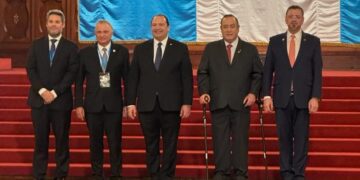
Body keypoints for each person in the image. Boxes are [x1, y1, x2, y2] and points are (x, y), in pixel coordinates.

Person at [126, 14, 193, 180]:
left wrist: (187, 103)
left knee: (170, 144)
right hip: (147, 105)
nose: (157, 27)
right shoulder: (141, 49)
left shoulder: (180, 48)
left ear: (168, 27)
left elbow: (186, 78)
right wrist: (130, 103)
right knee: (151, 144)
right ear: (151, 28)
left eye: (161, 24)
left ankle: (167, 175)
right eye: (154, 25)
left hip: (171, 105)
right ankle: (154, 174)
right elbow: (133, 78)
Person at [197, 14, 263, 180]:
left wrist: (253, 93)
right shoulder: (211, 48)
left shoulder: (250, 49)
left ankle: (241, 172)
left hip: (242, 102)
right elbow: (203, 72)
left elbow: (257, 74)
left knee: (240, 139)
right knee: (220, 140)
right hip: (218, 101)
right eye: (225, 26)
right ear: (220, 29)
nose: (228, 29)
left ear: (238, 28)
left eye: (232, 26)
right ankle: (221, 171)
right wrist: (204, 92)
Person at [262, 5, 323, 180]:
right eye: (291, 16)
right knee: (284, 139)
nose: (294, 19)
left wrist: (315, 96)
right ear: (285, 19)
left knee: (302, 139)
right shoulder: (275, 41)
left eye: (297, 16)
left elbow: (317, 71)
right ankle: (286, 173)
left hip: (303, 99)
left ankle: (298, 173)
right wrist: (266, 95)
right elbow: (267, 71)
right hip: (281, 99)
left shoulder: (313, 42)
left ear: (303, 19)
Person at [26, 9, 78, 180]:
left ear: (63, 25)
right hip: (38, 101)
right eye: (51, 21)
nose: (54, 24)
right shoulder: (36, 45)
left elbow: (71, 73)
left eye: (57, 21)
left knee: (62, 141)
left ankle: (61, 174)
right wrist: (42, 91)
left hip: (60, 101)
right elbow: (31, 69)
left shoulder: (71, 47)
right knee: (40, 141)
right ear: (46, 24)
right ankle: (39, 174)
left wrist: (54, 92)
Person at [74, 20, 129, 180]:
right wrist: (78, 104)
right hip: (92, 106)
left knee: (115, 143)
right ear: (95, 33)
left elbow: (128, 80)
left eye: (105, 32)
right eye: (99, 32)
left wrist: (127, 103)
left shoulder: (121, 52)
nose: (102, 35)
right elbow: (78, 81)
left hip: (114, 106)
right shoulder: (84, 53)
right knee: (95, 143)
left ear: (111, 33)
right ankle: (97, 173)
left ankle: (116, 174)